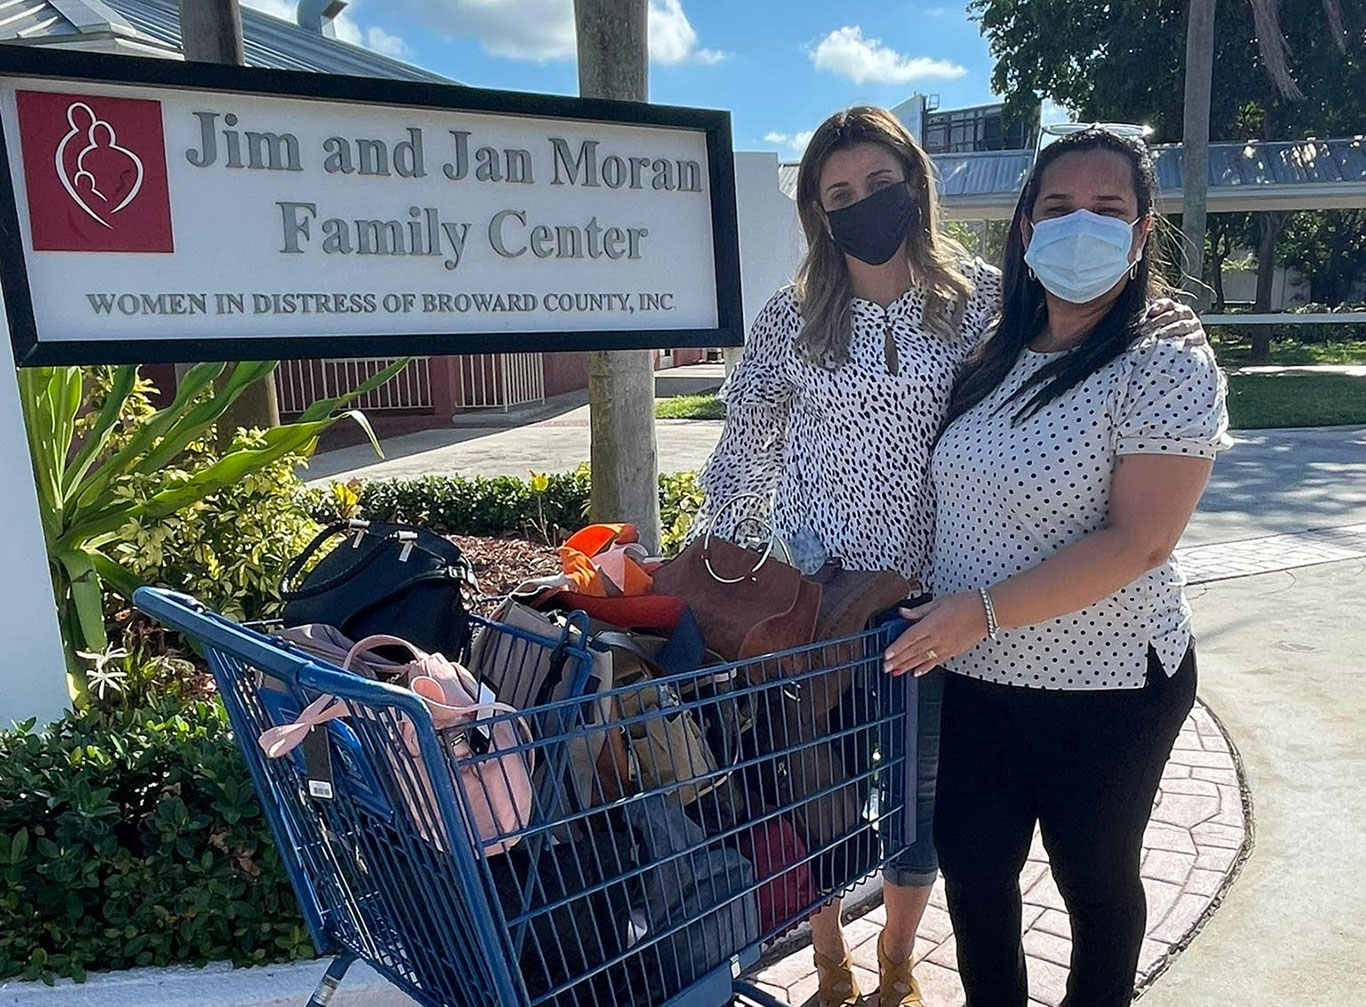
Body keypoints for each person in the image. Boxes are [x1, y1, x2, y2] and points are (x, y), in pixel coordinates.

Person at [696, 109, 1197, 1007]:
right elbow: (746, 443)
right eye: (839, 193)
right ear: (816, 207)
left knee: (928, 812)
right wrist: (719, 556)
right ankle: (828, 964)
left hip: (945, 613)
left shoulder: (985, 302)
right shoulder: (790, 315)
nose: (862, 206)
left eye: (879, 186)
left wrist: (1168, 321)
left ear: (916, 185)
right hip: (823, 603)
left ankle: (895, 958)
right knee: (817, 798)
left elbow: (1088, 320)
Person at [883, 127, 1230, 1007]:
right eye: (1059, 207)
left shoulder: (1166, 360)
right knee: (973, 865)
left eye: (1108, 209)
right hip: (977, 672)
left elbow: (1140, 541)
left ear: (1143, 231)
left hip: (1108, 681)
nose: (1083, 225)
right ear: (1027, 226)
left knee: (1093, 879)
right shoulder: (995, 348)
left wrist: (980, 611)